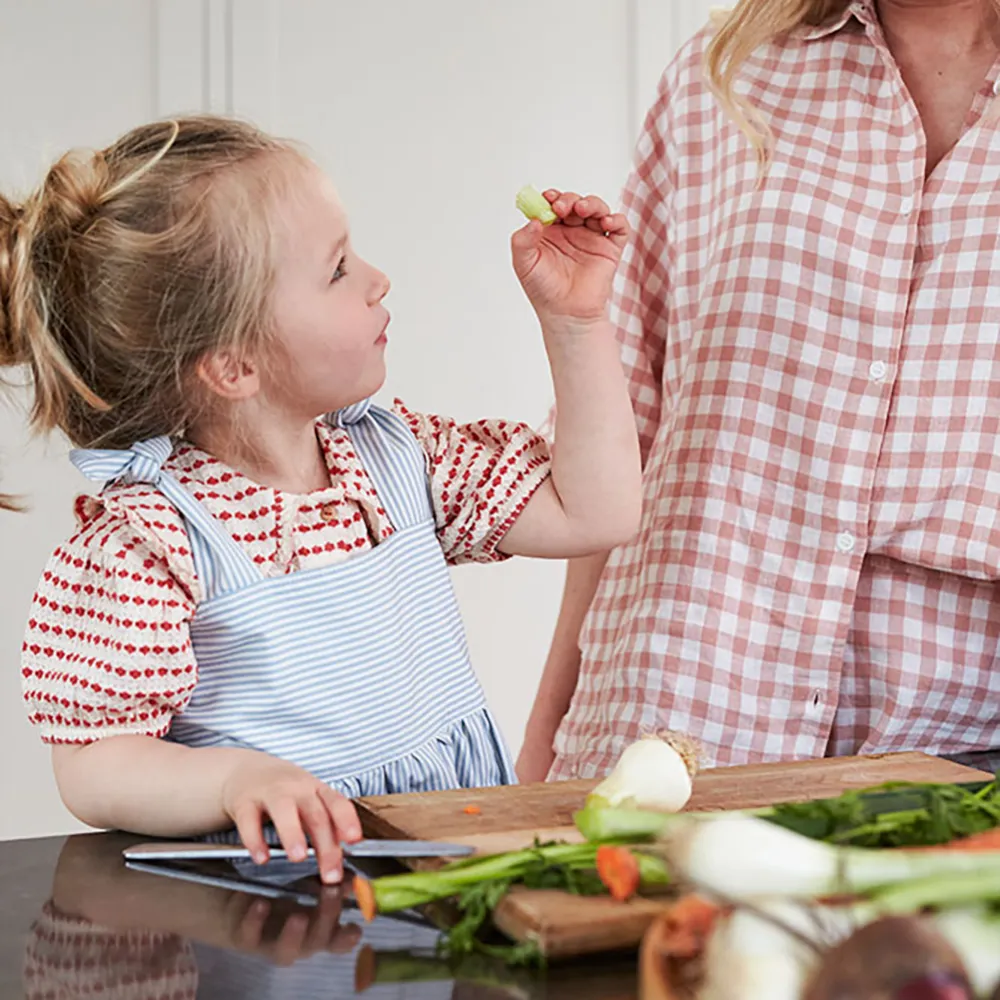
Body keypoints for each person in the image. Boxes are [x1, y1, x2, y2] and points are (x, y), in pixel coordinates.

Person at [2, 115, 641, 884]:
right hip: (282, 909)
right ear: (233, 365)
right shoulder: (153, 540)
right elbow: (94, 767)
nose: (378, 279)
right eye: (338, 269)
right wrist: (237, 780)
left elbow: (597, 512)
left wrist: (575, 324)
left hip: (446, 872)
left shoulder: (398, 458)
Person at [517, 0, 1000, 783]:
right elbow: (626, 430)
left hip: (954, 749)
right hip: (683, 722)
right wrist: (550, 719)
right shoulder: (727, 75)